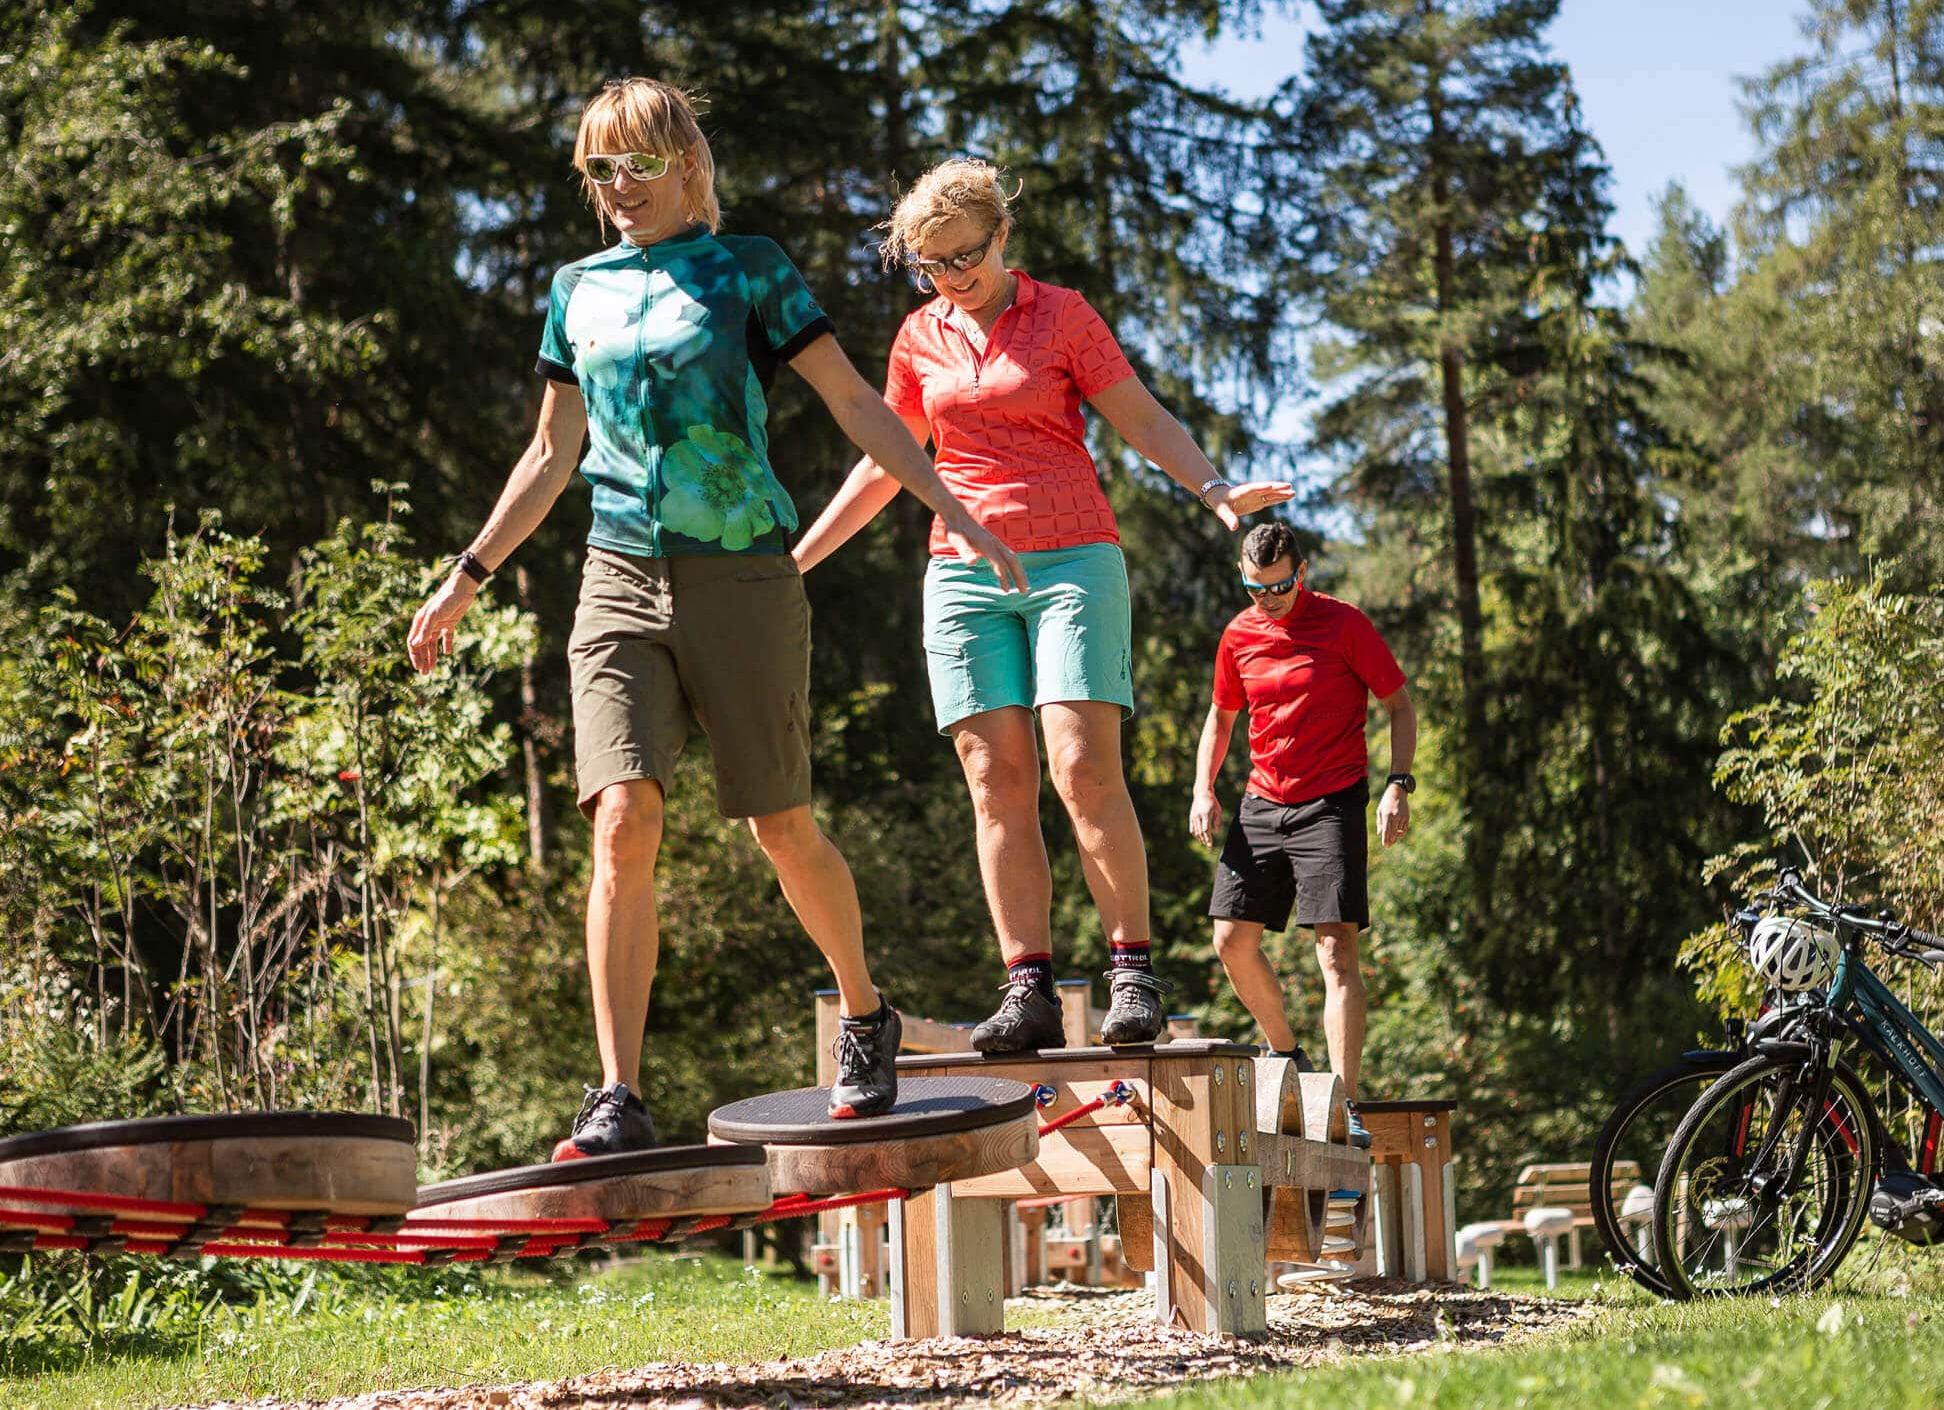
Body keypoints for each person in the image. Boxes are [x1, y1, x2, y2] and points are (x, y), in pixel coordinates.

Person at [405, 79, 1027, 1155]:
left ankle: (866, 1012)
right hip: (615, 577)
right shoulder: (577, 291)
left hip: (741, 569)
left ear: (686, 161)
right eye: (598, 170)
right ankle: (617, 1094)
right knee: (620, 819)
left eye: (635, 162)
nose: (617, 187)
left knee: (777, 824)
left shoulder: (751, 269)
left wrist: (954, 511)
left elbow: (853, 402)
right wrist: (469, 570)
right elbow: (552, 454)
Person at [791, 158, 1291, 1052]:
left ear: (1002, 235)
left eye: (964, 257)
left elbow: (1138, 415)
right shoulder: (919, 337)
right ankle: (1027, 989)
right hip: (962, 575)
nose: (950, 277)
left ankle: (1131, 971)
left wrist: (1210, 487)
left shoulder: (1062, 315)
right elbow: (887, 463)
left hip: (1072, 563)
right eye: (930, 264)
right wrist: (798, 560)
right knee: (996, 780)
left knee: (1080, 765)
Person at [1190, 522, 1414, 1148]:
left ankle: (1344, 1101)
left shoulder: (1345, 625)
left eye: (1281, 587)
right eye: (1257, 589)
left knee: (1336, 949)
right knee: (1230, 939)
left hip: (1331, 802)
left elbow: (1399, 705)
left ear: (1303, 571)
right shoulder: (1238, 634)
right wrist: (1204, 788)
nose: (1270, 599)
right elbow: (1222, 714)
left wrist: (1399, 783)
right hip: (1263, 798)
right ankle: (1286, 1051)